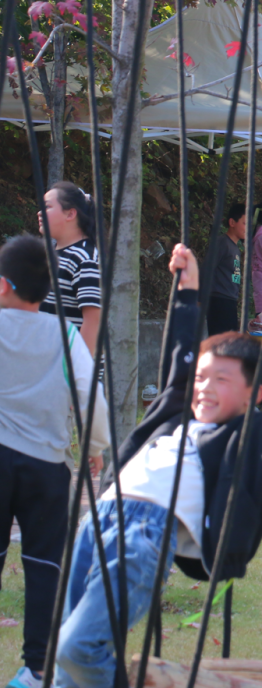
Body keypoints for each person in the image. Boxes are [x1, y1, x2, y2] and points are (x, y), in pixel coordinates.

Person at [54, 244, 262, 687]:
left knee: (77, 648)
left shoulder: (250, 437)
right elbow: (182, 358)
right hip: (97, 523)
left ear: (254, 395)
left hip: (145, 533)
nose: (204, 388)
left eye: (221, 380)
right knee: (66, 667)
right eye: (201, 379)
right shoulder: (176, 416)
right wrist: (188, 293)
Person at [0, 236, 109, 688]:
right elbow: (90, 396)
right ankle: (38, 668)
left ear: (2, 284)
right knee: (45, 564)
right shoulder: (65, 334)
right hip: (46, 466)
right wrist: (95, 446)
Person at [37, 182, 101, 354]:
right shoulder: (50, 255)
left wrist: (77, 366)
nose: (39, 212)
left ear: (71, 213)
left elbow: (93, 322)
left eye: (47, 207)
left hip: (70, 367)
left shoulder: (86, 259)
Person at [205, 203, 247, 335]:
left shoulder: (235, 248)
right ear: (232, 222)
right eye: (245, 223)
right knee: (221, 341)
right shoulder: (222, 243)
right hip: (219, 300)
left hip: (230, 301)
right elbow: (207, 269)